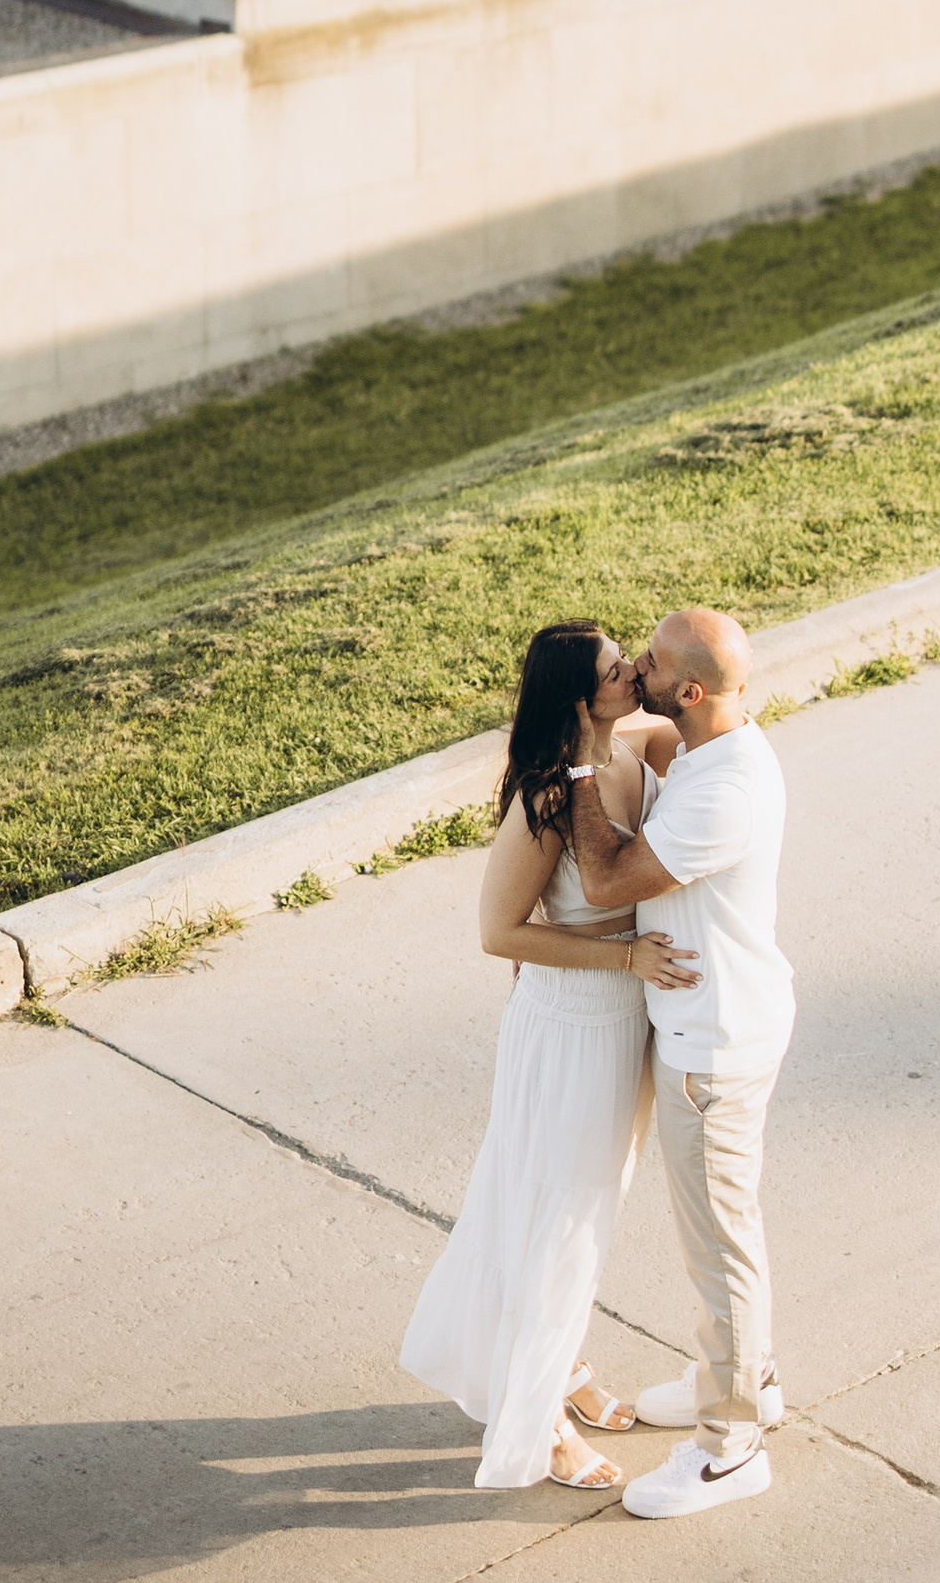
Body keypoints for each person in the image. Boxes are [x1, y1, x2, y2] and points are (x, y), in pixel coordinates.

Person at [400, 619, 699, 1493]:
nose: (632, 677)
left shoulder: (633, 745)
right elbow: (499, 933)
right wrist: (625, 956)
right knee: (558, 1223)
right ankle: (539, 1424)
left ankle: (555, 1361)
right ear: (582, 696)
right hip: (569, 1024)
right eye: (617, 671)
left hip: (624, 1023)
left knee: (586, 1210)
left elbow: (701, 727)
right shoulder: (543, 800)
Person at [567, 604, 795, 1521]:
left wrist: (582, 760)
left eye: (650, 663)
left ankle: (732, 1444)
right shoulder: (715, 745)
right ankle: (746, 1376)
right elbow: (662, 747)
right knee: (723, 1227)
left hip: (715, 1045)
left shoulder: (722, 795)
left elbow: (609, 879)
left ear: (690, 691)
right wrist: (611, 721)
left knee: (720, 1247)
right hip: (724, 1023)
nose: (636, 670)